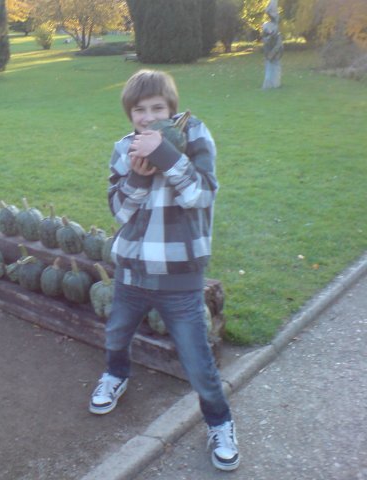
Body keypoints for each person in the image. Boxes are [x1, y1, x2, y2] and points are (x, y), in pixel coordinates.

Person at [89, 69, 239, 471]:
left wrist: (166, 155)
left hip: (179, 276)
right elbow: (120, 211)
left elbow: (202, 195)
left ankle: (220, 422)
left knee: (197, 360)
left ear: (172, 109)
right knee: (116, 333)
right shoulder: (124, 148)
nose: (149, 116)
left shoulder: (194, 135)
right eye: (140, 110)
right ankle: (116, 374)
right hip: (132, 271)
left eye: (158, 108)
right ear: (130, 114)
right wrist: (139, 176)